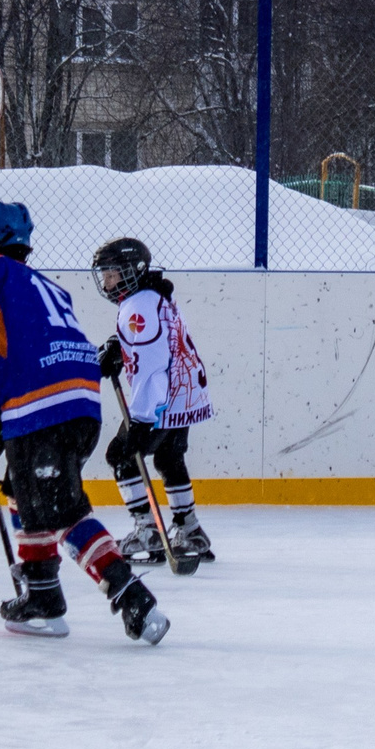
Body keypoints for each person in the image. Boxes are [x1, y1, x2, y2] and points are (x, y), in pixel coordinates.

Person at [0, 202, 166, 644]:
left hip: (42, 403)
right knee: (25, 491)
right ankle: (42, 598)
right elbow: (35, 349)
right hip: (79, 402)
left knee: (61, 509)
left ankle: (131, 595)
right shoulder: (48, 286)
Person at [92, 237, 217, 567]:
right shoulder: (152, 296)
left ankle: (147, 530)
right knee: (168, 458)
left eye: (112, 274)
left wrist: (143, 416)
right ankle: (190, 531)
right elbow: (157, 343)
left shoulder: (139, 306)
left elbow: (151, 364)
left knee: (121, 456)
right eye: (104, 275)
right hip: (186, 392)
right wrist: (119, 347)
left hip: (163, 398)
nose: (106, 282)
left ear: (133, 271)